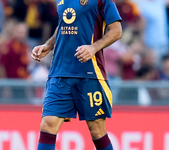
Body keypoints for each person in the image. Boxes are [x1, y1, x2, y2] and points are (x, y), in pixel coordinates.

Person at [31, 0, 122, 150]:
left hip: (90, 73)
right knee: (48, 124)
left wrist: (93, 48)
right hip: (60, 73)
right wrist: (48, 45)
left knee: (97, 130)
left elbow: (116, 30)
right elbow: (64, 25)